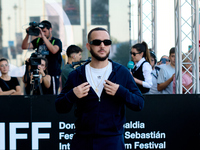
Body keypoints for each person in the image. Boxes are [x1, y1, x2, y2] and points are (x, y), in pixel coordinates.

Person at [55, 27, 144, 150]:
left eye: (106, 42)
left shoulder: (121, 72)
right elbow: (59, 107)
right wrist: (72, 95)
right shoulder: (76, 74)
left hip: (113, 141)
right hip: (83, 141)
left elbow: (139, 103)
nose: (102, 46)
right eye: (97, 42)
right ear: (88, 46)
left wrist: (121, 92)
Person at [21, 20, 62, 95]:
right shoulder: (38, 41)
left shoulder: (56, 41)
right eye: (41, 31)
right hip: (40, 73)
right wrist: (28, 34)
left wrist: (43, 37)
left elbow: (54, 50)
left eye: (45, 31)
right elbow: (24, 46)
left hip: (52, 74)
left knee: (51, 96)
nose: (43, 33)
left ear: (50, 29)